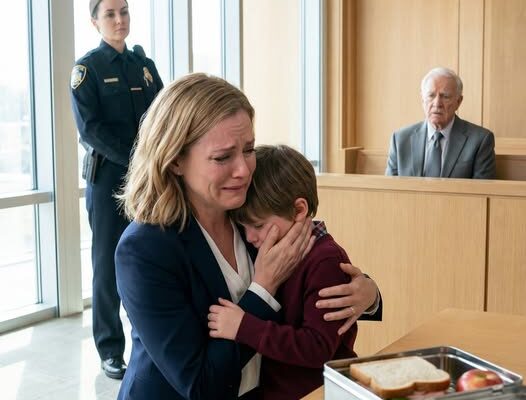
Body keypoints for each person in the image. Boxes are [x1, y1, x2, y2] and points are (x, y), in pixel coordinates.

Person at [115, 73, 381, 400]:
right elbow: (200, 386)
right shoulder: (144, 250)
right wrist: (262, 289)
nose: (243, 170)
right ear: (175, 162)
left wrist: (368, 294)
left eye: (249, 149)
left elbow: (314, 263)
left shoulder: (247, 210)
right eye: (222, 157)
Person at [208, 144, 373, 400]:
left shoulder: (325, 261)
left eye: (258, 225)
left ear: (299, 211)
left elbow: (317, 348)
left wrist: (244, 327)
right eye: (243, 227)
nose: (249, 237)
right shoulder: (269, 249)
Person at [69, 0, 163, 379]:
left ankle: (151, 337)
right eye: (110, 14)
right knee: (107, 265)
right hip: (109, 180)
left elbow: (163, 116)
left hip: (147, 181)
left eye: (123, 11)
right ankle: (110, 350)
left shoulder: (144, 65)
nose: (119, 19)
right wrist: (137, 160)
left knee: (151, 255)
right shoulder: (87, 69)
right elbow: (90, 130)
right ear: (95, 21)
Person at [385, 67, 496, 179]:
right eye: (431, 95)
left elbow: (481, 189)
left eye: (445, 96)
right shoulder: (400, 139)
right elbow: (389, 188)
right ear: (422, 99)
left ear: (458, 101)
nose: (437, 103)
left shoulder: (480, 140)